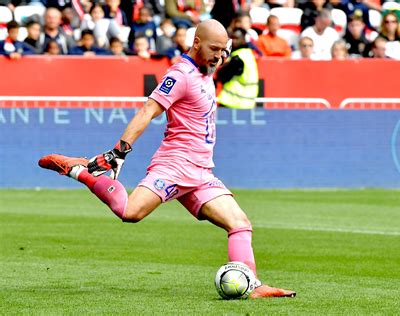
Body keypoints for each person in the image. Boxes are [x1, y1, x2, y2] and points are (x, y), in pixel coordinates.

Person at [38, 19, 294, 299]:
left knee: (240, 224)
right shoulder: (180, 74)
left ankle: (253, 285)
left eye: (223, 50)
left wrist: (223, 49)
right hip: (174, 165)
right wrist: (119, 150)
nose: (219, 55)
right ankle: (83, 172)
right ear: (196, 43)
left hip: (201, 172)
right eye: (214, 49)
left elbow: (222, 51)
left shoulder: (209, 65)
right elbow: (148, 110)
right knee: (130, 213)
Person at [216, 27, 259, 109]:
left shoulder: (238, 58)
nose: (233, 41)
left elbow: (222, 77)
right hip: (247, 104)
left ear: (243, 39)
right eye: (232, 38)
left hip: (232, 103)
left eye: (236, 38)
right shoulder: (248, 54)